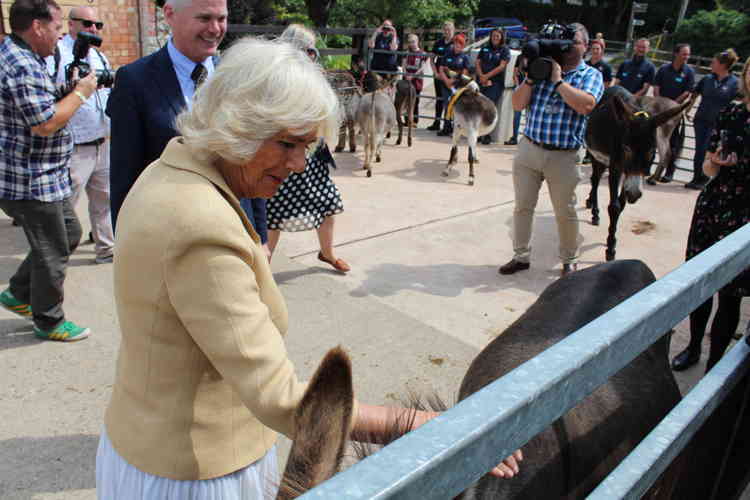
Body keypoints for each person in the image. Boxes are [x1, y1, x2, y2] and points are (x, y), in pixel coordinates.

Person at [95, 37, 522, 498]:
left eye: (308, 147)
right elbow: (283, 401)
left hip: (147, 441)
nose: (300, 164)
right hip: (196, 471)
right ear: (239, 125)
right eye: (288, 144)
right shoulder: (201, 227)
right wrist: (430, 426)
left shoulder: (169, 171)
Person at [0, 0, 97, 342]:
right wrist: (82, 94)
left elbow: (39, 102)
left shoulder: (26, 56)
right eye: (57, 28)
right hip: (29, 179)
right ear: (38, 27)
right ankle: (49, 320)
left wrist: (65, 91)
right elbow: (44, 123)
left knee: (68, 233)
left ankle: (18, 293)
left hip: (45, 175)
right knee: (53, 248)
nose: (60, 36)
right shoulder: (21, 63)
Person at [501, 23, 604, 277]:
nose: (567, 47)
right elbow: (516, 104)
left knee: (564, 211)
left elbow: (586, 105)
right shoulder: (540, 69)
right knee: (522, 207)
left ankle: (569, 259)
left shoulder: (590, 75)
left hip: (564, 156)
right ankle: (521, 255)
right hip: (530, 149)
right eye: (564, 41)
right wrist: (531, 78)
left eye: (574, 42)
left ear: (586, 47)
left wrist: (557, 81)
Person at [671, 56, 750, 373]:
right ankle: (692, 349)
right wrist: (716, 162)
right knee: (702, 283)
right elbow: (706, 166)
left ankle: (715, 366)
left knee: (731, 294)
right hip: (715, 205)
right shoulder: (731, 111)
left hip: (745, 213)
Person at [266, 24, 350, 273]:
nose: (313, 54)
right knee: (274, 212)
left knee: (327, 202)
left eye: (313, 50)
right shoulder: (276, 74)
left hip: (313, 151)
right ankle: (263, 269)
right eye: (308, 49)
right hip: (287, 152)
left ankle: (327, 253)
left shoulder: (313, 73)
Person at [49, 6, 114, 264]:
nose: (94, 29)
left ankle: (106, 249)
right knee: (64, 206)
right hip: (74, 145)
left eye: (98, 25)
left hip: (102, 139)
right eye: (88, 23)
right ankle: (53, 256)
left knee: (104, 200)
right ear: (71, 24)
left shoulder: (99, 57)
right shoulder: (57, 55)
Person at [684, 49, 739, 190]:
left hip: (718, 124)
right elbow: (695, 94)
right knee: (699, 150)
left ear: (722, 64)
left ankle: (706, 178)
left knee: (709, 151)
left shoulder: (734, 83)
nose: (711, 64)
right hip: (701, 119)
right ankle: (697, 178)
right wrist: (687, 110)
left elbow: (742, 101)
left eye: (714, 62)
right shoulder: (707, 79)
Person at [653, 43, 695, 183]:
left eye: (688, 54)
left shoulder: (689, 72)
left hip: (675, 112)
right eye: (684, 54)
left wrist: (673, 106)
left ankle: (669, 171)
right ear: (676, 54)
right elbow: (656, 86)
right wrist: (660, 102)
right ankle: (647, 167)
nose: (686, 57)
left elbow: (687, 92)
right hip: (659, 110)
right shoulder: (664, 69)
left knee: (672, 142)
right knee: (653, 137)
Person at [476, 28, 510, 144]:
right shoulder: (485, 47)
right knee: (479, 107)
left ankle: (487, 135)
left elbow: (502, 66)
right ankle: (479, 133)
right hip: (481, 81)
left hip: (495, 83)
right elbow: (478, 62)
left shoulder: (504, 50)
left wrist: (487, 76)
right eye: (493, 35)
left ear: (501, 37)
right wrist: (481, 76)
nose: (495, 38)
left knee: (489, 108)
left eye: (498, 36)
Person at [436, 33, 471, 137]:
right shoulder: (447, 55)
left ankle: (457, 129)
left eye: (459, 45)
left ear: (463, 46)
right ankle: (446, 127)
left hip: (458, 86)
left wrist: (453, 80)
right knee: (447, 105)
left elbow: (465, 72)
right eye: (455, 44)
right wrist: (446, 80)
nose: (457, 46)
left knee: (456, 107)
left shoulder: (464, 57)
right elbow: (441, 68)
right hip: (446, 84)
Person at [427, 21, 455, 132]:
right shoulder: (438, 43)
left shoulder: (455, 43)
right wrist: (435, 73)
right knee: (439, 99)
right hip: (438, 76)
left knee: (450, 100)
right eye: (445, 30)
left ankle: (448, 124)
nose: (447, 32)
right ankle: (437, 122)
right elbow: (432, 59)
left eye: (449, 30)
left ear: (453, 30)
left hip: (449, 77)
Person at [403, 33, 428, 125]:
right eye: (410, 42)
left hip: (416, 80)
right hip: (407, 78)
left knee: (415, 100)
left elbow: (422, 67)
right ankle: (407, 120)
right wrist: (406, 74)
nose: (412, 44)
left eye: (413, 42)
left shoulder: (423, 54)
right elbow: (404, 64)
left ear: (417, 42)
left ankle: (414, 120)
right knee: (406, 99)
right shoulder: (406, 52)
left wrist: (412, 76)